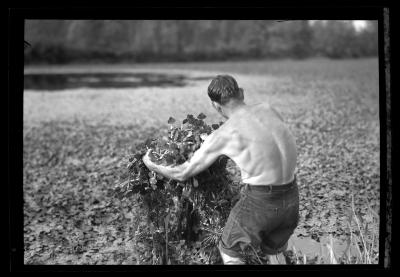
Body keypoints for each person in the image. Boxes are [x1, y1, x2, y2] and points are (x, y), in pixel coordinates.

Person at [143, 75, 299, 265]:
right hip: (291, 198)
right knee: (274, 251)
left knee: (230, 251)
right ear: (241, 93)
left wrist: (151, 163)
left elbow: (182, 173)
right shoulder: (269, 110)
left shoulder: (225, 134)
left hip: (261, 201)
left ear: (215, 106)